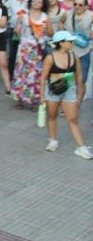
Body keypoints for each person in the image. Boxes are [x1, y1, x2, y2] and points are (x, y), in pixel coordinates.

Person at [40, 31, 92, 159]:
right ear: (61, 43)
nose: (72, 43)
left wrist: (79, 94)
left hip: (69, 90)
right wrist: (42, 95)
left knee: (73, 118)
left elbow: (79, 76)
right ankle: (53, 140)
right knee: (52, 116)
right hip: (53, 90)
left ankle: (81, 147)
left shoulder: (74, 56)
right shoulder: (50, 58)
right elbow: (43, 77)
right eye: (69, 41)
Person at [12, 0, 53, 110]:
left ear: (43, 4)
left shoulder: (45, 17)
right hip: (25, 47)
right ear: (30, 2)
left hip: (37, 47)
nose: (36, 3)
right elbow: (16, 30)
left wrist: (45, 30)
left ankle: (34, 100)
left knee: (35, 75)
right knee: (21, 73)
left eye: (39, 2)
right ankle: (20, 99)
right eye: (34, 1)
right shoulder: (24, 15)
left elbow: (51, 33)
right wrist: (18, 27)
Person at [62, 0, 93, 84]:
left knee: (82, 79)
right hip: (69, 51)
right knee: (68, 79)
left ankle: (79, 98)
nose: (77, 7)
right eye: (75, 4)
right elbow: (61, 23)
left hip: (85, 51)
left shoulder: (91, 15)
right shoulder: (67, 14)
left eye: (80, 5)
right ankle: (69, 97)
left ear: (86, 6)